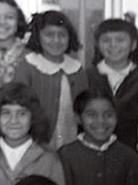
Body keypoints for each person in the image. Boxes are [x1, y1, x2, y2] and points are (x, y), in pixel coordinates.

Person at [86, 15, 138, 185]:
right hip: (90, 152)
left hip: (130, 152)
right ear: (98, 44)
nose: (113, 46)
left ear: (133, 44)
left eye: (120, 40)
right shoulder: (87, 76)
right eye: (106, 40)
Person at [14, 10, 88, 150]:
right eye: (49, 35)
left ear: (69, 37)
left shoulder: (76, 68)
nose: (56, 41)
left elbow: (84, 107)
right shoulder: (28, 66)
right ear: (38, 37)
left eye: (62, 35)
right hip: (36, 141)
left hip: (70, 136)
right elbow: (19, 106)